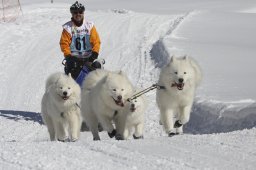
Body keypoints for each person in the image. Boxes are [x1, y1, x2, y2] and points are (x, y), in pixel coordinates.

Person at [60, 1, 101, 80]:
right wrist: (68, 56)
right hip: (74, 58)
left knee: (97, 74)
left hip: (89, 58)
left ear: (83, 13)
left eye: (80, 12)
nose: (78, 14)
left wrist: (95, 53)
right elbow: (64, 44)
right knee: (71, 79)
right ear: (72, 14)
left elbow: (96, 41)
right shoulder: (67, 28)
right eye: (75, 12)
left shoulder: (89, 25)